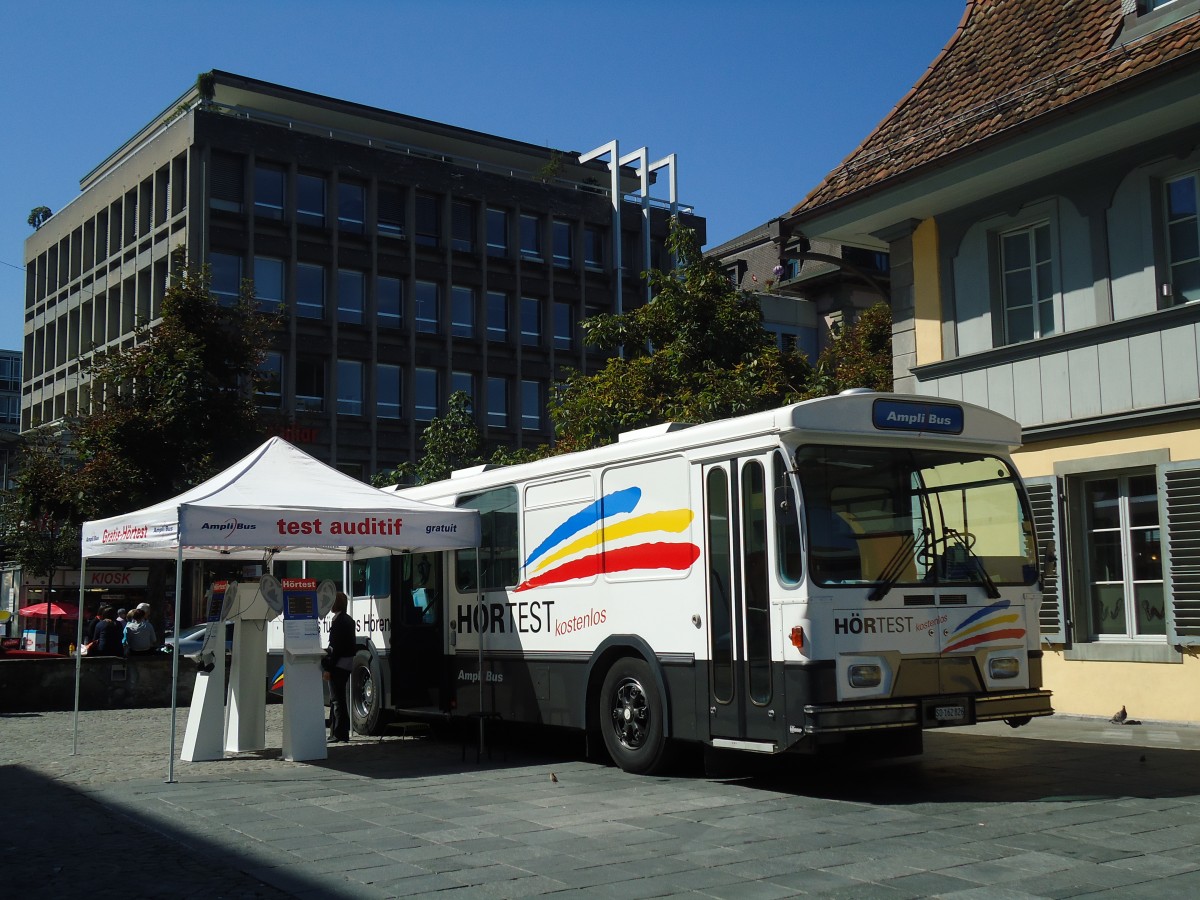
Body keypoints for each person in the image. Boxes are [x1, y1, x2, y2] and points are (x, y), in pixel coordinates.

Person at [323, 592, 356, 743]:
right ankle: (338, 731)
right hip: (347, 664)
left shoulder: (338, 622)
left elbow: (336, 648)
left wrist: (328, 667)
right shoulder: (348, 620)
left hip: (338, 664)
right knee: (340, 698)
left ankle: (338, 733)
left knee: (336, 700)